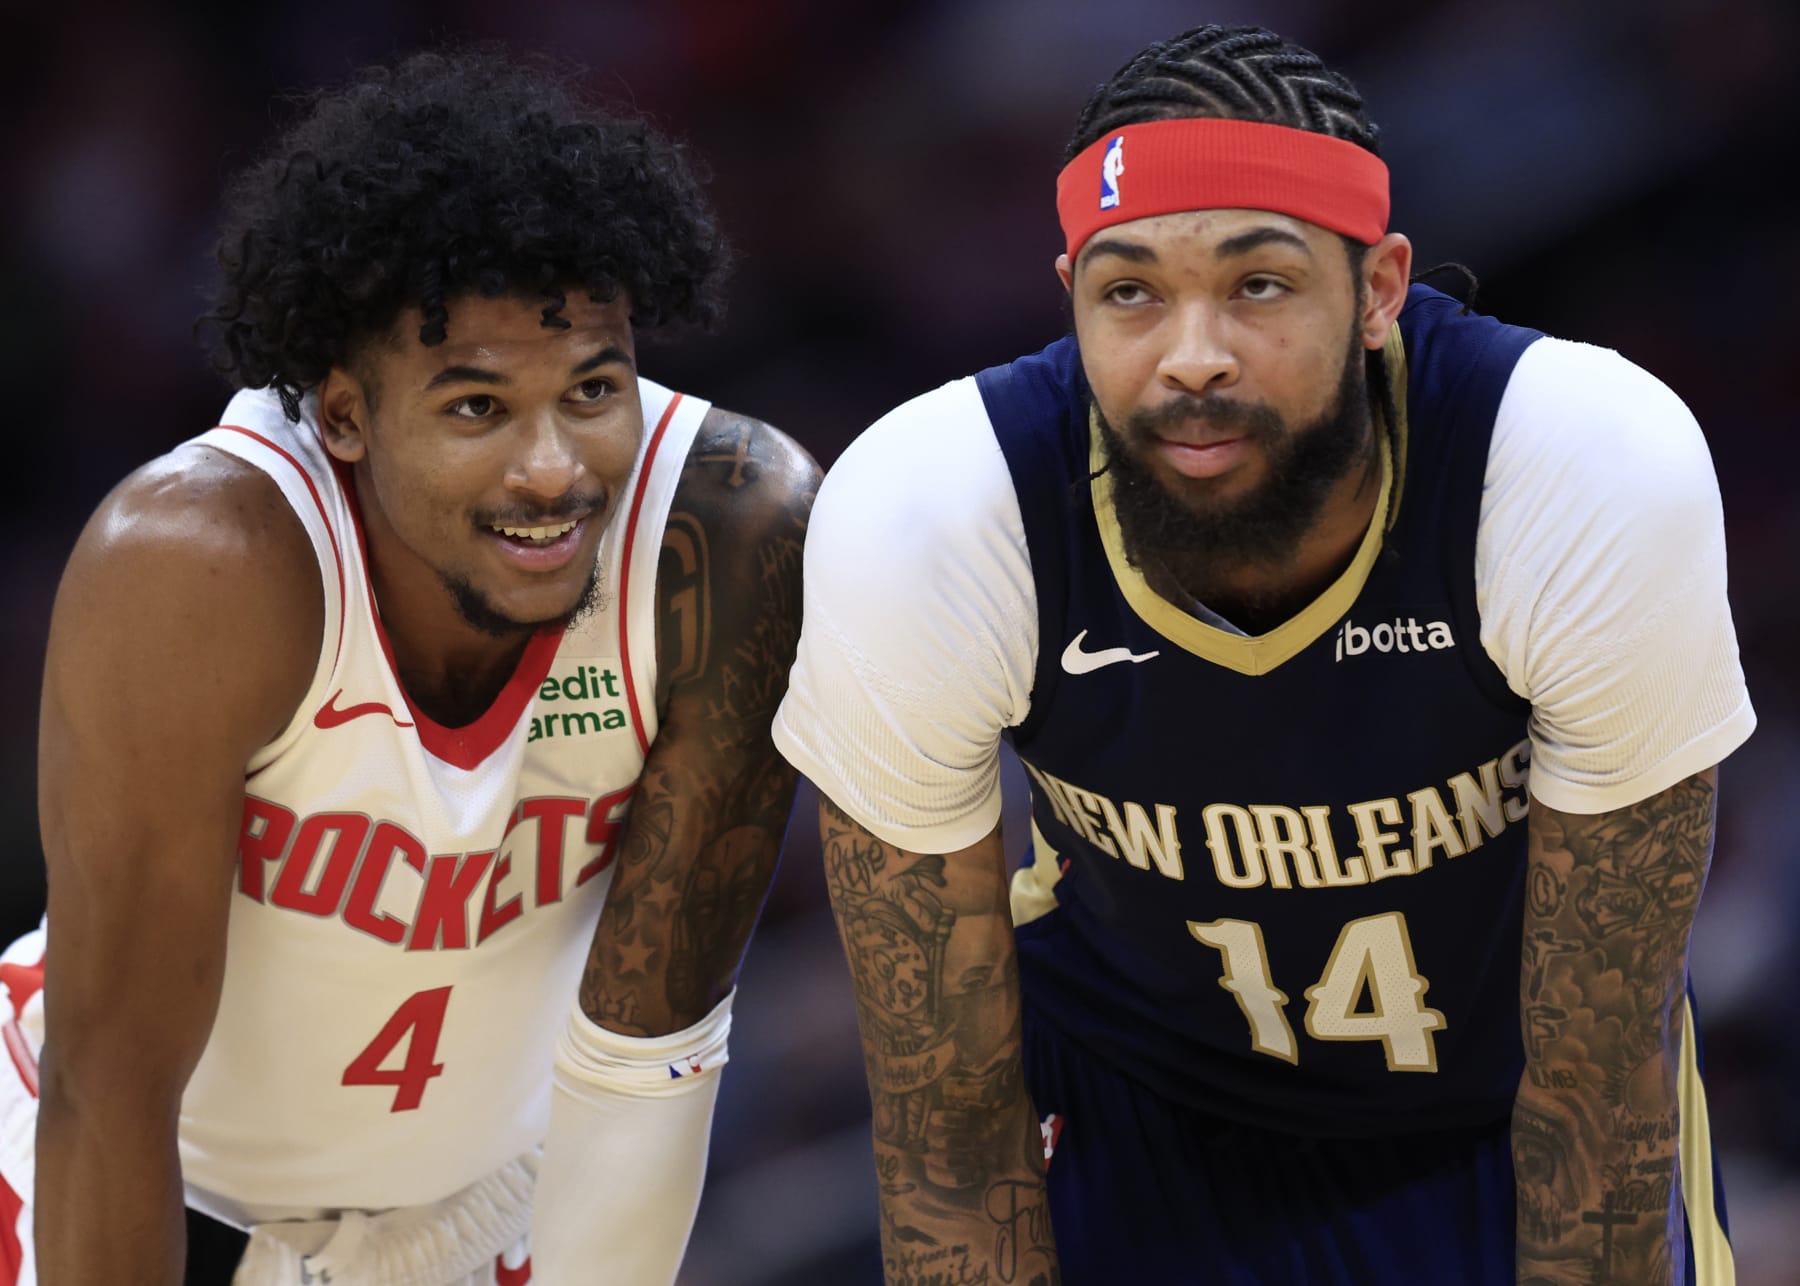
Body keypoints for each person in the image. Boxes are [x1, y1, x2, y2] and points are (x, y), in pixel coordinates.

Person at [773, 23, 1754, 1286]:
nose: (1192, 355)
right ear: (1070, 290)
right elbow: (947, 1133)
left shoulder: (1575, 464)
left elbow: (1597, 1091)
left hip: (1506, 1117)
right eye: (1130, 291)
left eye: (1260, 284)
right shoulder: (935, 512)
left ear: (1381, 290)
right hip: (1135, 1117)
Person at [0, 47, 818, 1286]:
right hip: (138, 1188)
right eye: (476, 407)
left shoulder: (732, 531)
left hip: (493, 1208)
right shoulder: (199, 566)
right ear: (341, 415)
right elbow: (109, 1090)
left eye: (593, 387)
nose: (554, 468)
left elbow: (652, 1052)